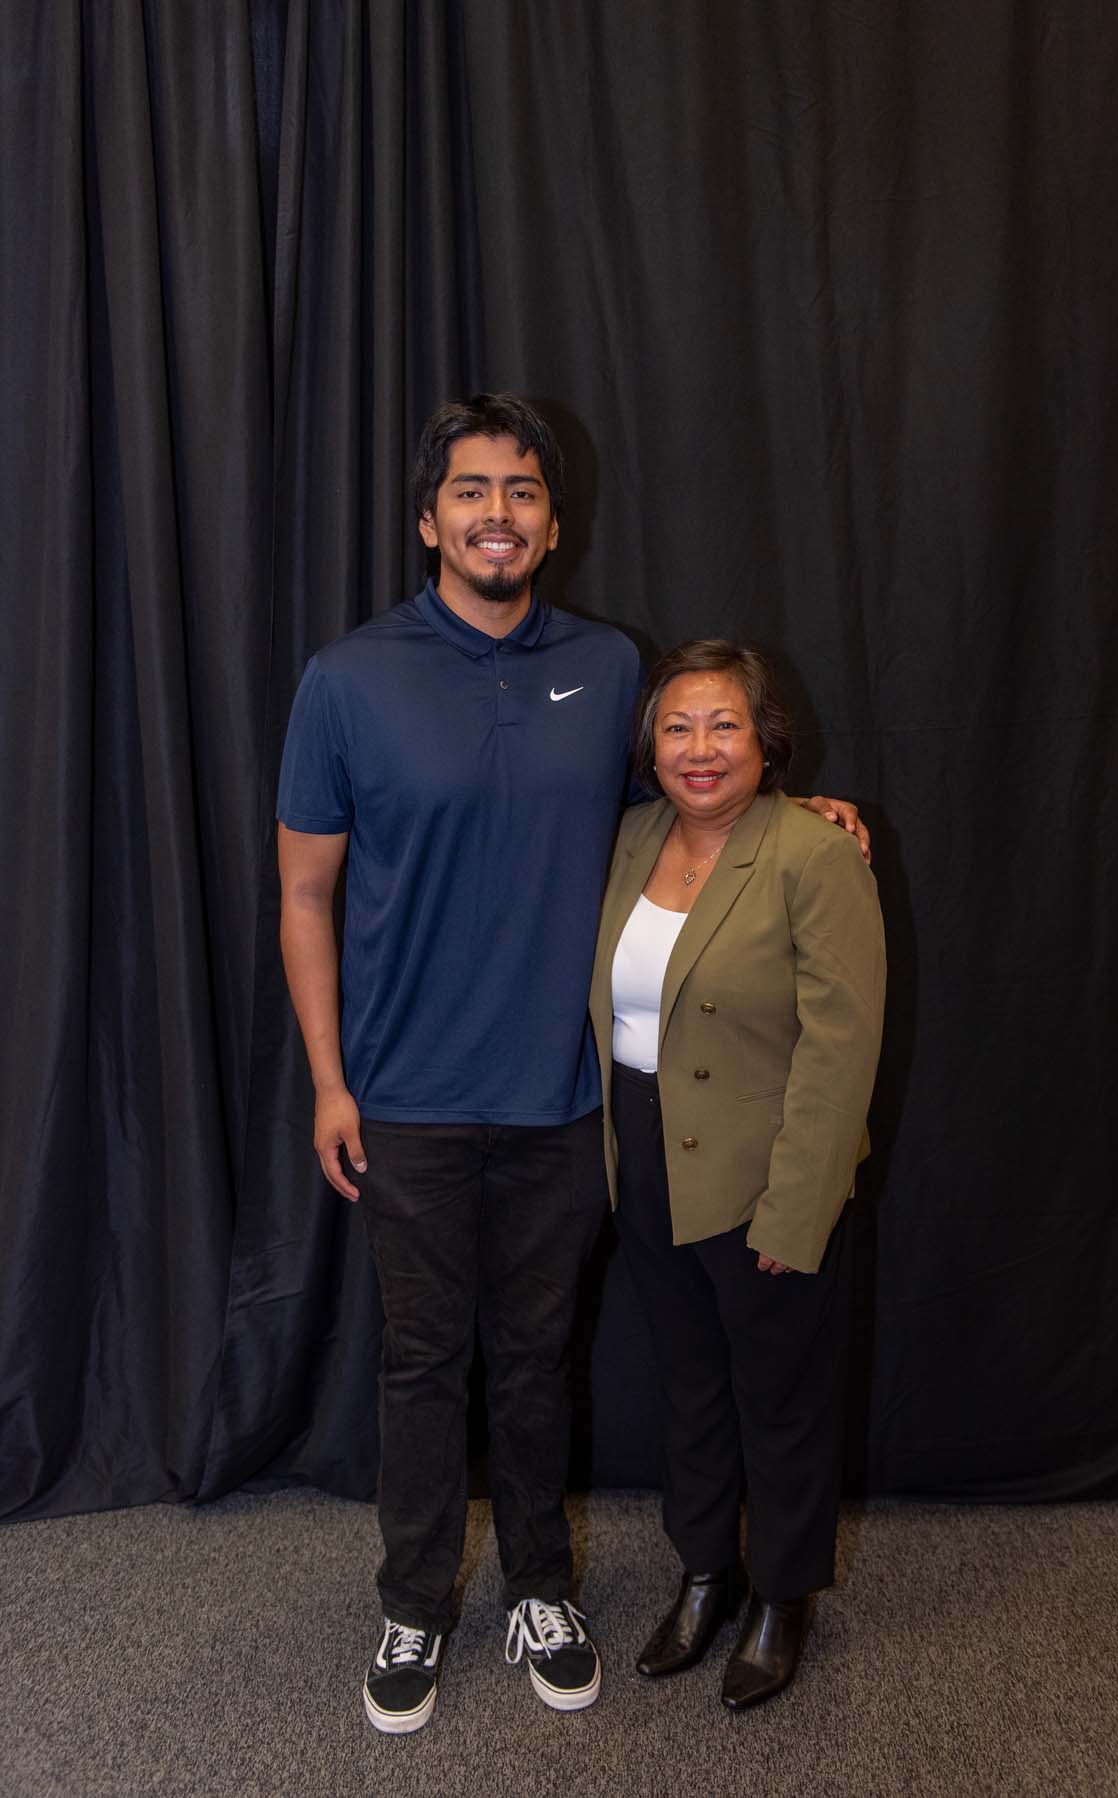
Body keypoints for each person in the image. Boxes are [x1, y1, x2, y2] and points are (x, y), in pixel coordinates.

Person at [276, 394, 870, 1734]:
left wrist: (803, 811)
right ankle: (416, 1600)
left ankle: (542, 1585)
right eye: (472, 490)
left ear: (553, 521)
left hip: (569, 1102)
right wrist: (328, 1077)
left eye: (524, 492)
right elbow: (303, 894)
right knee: (424, 1367)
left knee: (540, 1361)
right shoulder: (346, 678)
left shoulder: (608, 668)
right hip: (409, 1099)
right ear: (427, 519)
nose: (499, 510)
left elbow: (693, 794)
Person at [588, 640, 886, 1712]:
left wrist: (798, 1205)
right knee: (691, 1389)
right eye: (677, 726)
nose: (700, 748)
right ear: (649, 746)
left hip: (767, 1170)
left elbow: (841, 1047)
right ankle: (706, 1570)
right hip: (647, 1154)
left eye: (723, 725)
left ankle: (782, 1592)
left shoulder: (813, 853)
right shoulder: (626, 838)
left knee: (783, 1398)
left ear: (766, 740)